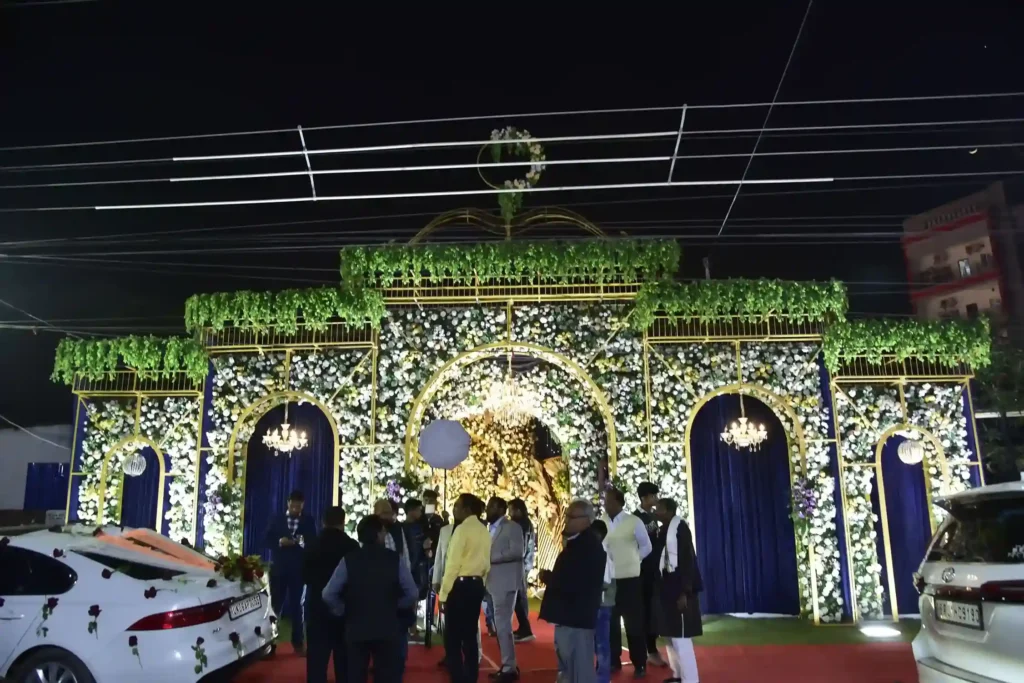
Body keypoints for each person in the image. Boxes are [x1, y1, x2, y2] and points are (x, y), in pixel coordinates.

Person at [321, 514, 418, 683]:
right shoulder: (394, 559)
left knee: (356, 675)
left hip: (356, 627)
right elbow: (412, 593)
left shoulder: (349, 559)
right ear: (379, 534)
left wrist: (343, 610)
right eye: (383, 531)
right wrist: (395, 605)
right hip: (387, 627)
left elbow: (328, 593)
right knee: (387, 676)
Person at [538, 499, 606, 683]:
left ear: (586, 520)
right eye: (566, 516)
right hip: (570, 617)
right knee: (568, 667)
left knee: (579, 670)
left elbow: (577, 581)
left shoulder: (589, 546)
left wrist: (550, 578)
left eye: (571, 517)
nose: (566, 520)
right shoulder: (579, 543)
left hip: (576, 618)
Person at [303, 506, 359, 683]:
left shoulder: (312, 544)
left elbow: (304, 575)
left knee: (316, 661)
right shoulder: (352, 546)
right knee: (344, 660)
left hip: (316, 606)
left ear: (323, 522)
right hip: (343, 607)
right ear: (343, 522)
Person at [439, 493, 491, 683]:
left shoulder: (461, 530)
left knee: (452, 637)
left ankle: (458, 677)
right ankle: (471, 677)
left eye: (457, 506)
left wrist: (443, 594)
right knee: (470, 635)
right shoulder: (484, 530)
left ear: (466, 509)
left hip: (459, 585)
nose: (455, 510)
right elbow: (487, 563)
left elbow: (453, 564)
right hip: (476, 584)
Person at [601, 487, 652, 678]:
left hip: (630, 580)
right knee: (610, 623)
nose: (605, 504)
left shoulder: (633, 521)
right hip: (609, 581)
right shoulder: (601, 522)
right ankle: (613, 661)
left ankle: (640, 663)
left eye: (608, 500)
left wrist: (634, 559)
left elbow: (646, 546)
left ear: (618, 503)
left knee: (634, 624)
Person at [651, 498, 702, 683]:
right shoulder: (662, 530)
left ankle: (691, 679)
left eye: (659, 509)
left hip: (680, 589)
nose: (655, 512)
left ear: (669, 511)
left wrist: (685, 592)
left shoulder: (680, 528)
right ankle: (678, 675)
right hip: (665, 588)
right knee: (670, 635)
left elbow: (687, 561)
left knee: (681, 637)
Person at [264, 490, 317, 655]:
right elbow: (266, 540)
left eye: (298, 507)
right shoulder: (276, 519)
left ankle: (298, 643)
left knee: (297, 607)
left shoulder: (308, 520)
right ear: (288, 503)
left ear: (303, 505)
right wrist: (280, 542)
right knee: (275, 607)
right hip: (279, 569)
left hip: (299, 570)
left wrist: (301, 542)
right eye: (293, 506)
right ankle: (269, 645)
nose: (295, 509)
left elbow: (313, 542)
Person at [433, 504, 482, 671]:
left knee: (470, 626)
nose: (455, 510)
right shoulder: (445, 530)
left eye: (458, 507)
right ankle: (451, 657)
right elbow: (440, 556)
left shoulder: (478, 531)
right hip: (449, 581)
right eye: (454, 507)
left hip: (467, 583)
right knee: (449, 625)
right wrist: (436, 579)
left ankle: (472, 659)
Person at [484, 496, 525, 681]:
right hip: (492, 582)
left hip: (506, 582)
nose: (487, 510)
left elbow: (517, 551)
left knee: (503, 626)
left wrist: (490, 558)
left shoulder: (512, 527)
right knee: (500, 626)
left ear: (501, 509)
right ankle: (508, 665)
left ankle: (509, 667)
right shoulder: (488, 529)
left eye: (491, 507)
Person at [635, 481, 667, 668]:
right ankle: (650, 650)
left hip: (657, 570)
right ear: (644, 498)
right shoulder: (636, 519)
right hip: (643, 573)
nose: (656, 499)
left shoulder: (656, 516)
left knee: (655, 610)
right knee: (646, 611)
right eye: (652, 496)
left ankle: (652, 649)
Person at [590, 519, 616, 683]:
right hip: (601, 602)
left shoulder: (602, 552)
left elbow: (605, 583)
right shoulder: (600, 551)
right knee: (599, 642)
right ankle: (601, 675)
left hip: (602, 603)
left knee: (601, 643)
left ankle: (603, 678)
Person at [508, 498, 536, 643]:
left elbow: (522, 547)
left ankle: (525, 628)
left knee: (519, 597)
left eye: (511, 510)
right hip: (523, 564)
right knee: (519, 596)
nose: (509, 513)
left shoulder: (521, 525)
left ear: (518, 510)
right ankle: (523, 627)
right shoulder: (524, 523)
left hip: (521, 564)